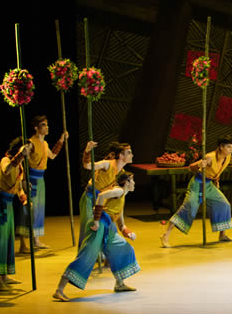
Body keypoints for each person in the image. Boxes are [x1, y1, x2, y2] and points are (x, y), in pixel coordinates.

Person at [53, 171, 140, 301]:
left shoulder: (122, 196)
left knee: (123, 248)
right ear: (126, 182)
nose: (134, 183)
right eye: (132, 180)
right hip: (98, 227)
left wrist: (128, 233)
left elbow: (121, 224)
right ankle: (59, 290)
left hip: (105, 228)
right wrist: (96, 220)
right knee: (86, 257)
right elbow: (101, 196)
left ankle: (120, 284)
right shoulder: (119, 191)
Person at [159, 138, 232, 247]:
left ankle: (222, 235)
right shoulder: (210, 157)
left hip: (208, 185)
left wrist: (216, 180)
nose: (231, 149)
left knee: (223, 204)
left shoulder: (227, 157)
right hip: (197, 184)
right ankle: (165, 235)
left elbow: (217, 170)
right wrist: (200, 165)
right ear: (221, 147)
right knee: (189, 207)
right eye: (228, 147)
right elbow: (191, 167)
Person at [15, 115, 67, 252]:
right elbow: (21, 161)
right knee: (27, 210)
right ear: (36, 128)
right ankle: (22, 244)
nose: (47, 127)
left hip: (40, 178)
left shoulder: (44, 144)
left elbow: (52, 155)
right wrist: (24, 180)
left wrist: (61, 141)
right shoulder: (31, 143)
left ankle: (36, 240)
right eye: (43, 125)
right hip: (31, 179)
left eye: (47, 124)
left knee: (38, 210)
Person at [80, 140, 133, 247]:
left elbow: (119, 201)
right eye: (129, 152)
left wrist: (123, 226)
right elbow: (88, 166)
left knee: (108, 231)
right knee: (89, 229)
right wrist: (87, 150)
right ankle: (88, 253)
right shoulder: (107, 164)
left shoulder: (122, 174)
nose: (132, 155)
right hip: (91, 198)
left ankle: (104, 253)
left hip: (103, 203)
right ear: (121, 155)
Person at [0, 138, 30, 291]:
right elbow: (6, 170)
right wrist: (19, 155)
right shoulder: (5, 160)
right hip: (1, 203)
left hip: (10, 202)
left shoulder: (20, 165)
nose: (28, 153)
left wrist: (24, 197)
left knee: (9, 239)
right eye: (27, 150)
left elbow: (18, 187)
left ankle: (4, 275)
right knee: (1, 240)